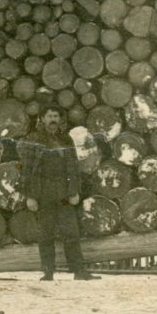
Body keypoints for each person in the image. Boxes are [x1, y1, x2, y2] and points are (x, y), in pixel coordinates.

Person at [20, 108, 99, 281]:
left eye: (55, 116)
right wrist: (30, 196)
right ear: (42, 118)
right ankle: (48, 272)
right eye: (49, 116)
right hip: (43, 194)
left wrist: (74, 191)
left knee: (71, 232)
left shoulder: (65, 138)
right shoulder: (34, 139)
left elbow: (73, 167)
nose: (53, 119)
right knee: (46, 234)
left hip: (63, 194)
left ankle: (79, 271)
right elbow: (26, 169)